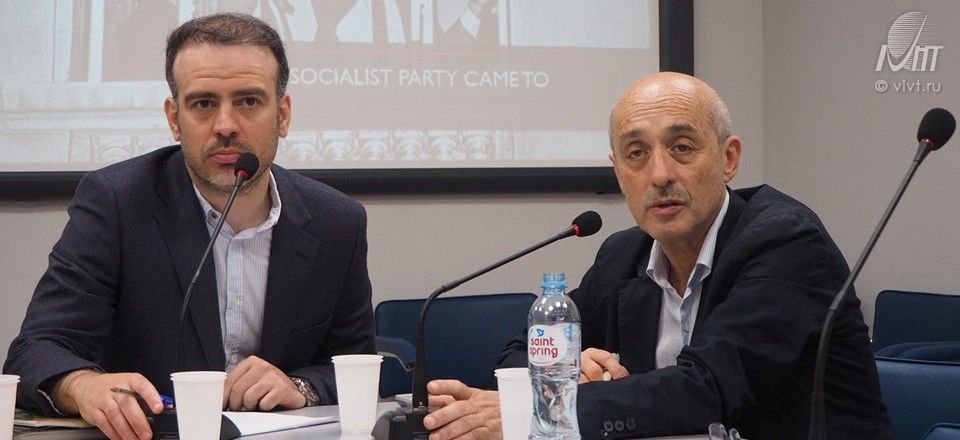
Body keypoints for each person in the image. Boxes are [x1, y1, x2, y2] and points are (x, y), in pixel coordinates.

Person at [421, 72, 893, 440]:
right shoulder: (623, 255)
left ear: (728, 159)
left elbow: (707, 388)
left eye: (682, 148)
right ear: (617, 172)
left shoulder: (786, 241)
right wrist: (569, 367)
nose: (660, 173)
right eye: (636, 153)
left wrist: (538, 409)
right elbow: (520, 351)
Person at [3, 13, 374, 440]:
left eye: (249, 102)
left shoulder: (336, 222)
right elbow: (36, 350)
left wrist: (301, 387)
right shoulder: (117, 204)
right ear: (174, 119)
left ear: (283, 114)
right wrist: (82, 386)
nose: (226, 126)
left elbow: (360, 365)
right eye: (203, 104)